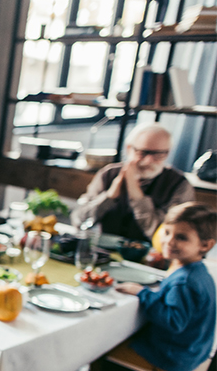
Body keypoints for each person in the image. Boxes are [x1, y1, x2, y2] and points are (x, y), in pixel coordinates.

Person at [104, 202, 217, 371]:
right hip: (193, 352)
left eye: (181, 237)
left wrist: (143, 293)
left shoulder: (184, 281)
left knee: (103, 349)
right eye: (167, 232)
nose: (169, 241)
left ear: (205, 245)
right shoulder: (198, 271)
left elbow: (173, 321)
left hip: (171, 357)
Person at [72, 123, 195, 243]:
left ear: (167, 153)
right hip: (104, 250)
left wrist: (137, 196)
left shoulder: (180, 185)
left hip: (152, 258)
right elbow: (79, 220)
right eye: (143, 152)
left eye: (158, 155)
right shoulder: (108, 174)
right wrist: (109, 197)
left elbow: (165, 238)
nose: (148, 161)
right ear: (129, 149)